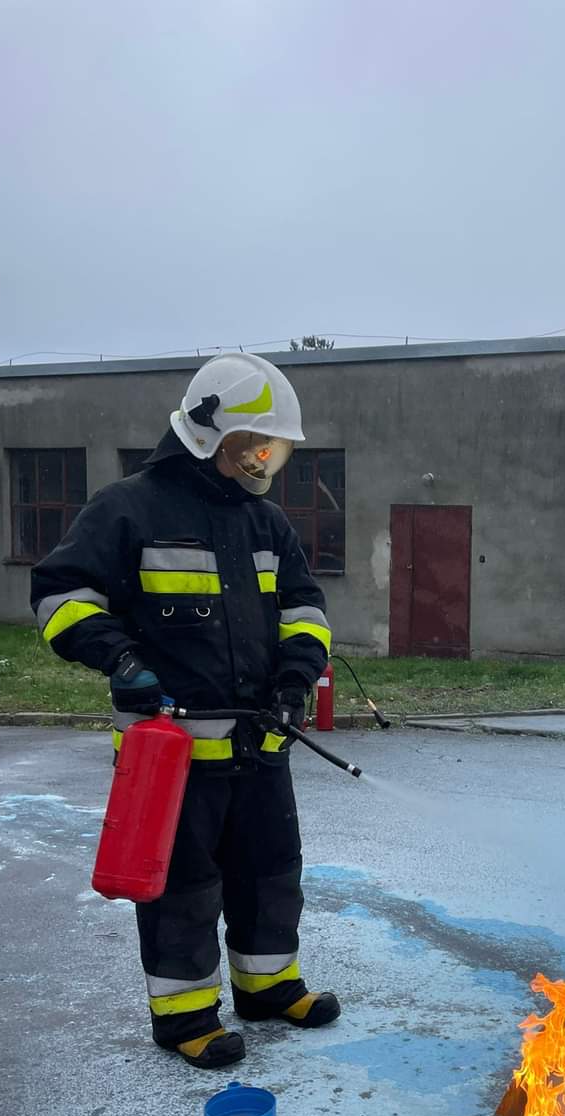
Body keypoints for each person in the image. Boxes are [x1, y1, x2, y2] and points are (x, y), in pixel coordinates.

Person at [31, 353, 340, 1069]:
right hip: (169, 753)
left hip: (260, 742)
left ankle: (268, 988)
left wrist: (295, 677)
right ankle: (186, 1017)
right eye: (254, 446)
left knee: (270, 870)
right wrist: (121, 660)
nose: (264, 461)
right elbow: (59, 594)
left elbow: (304, 609)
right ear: (209, 433)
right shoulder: (127, 508)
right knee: (181, 885)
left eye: (273, 449)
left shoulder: (266, 522)